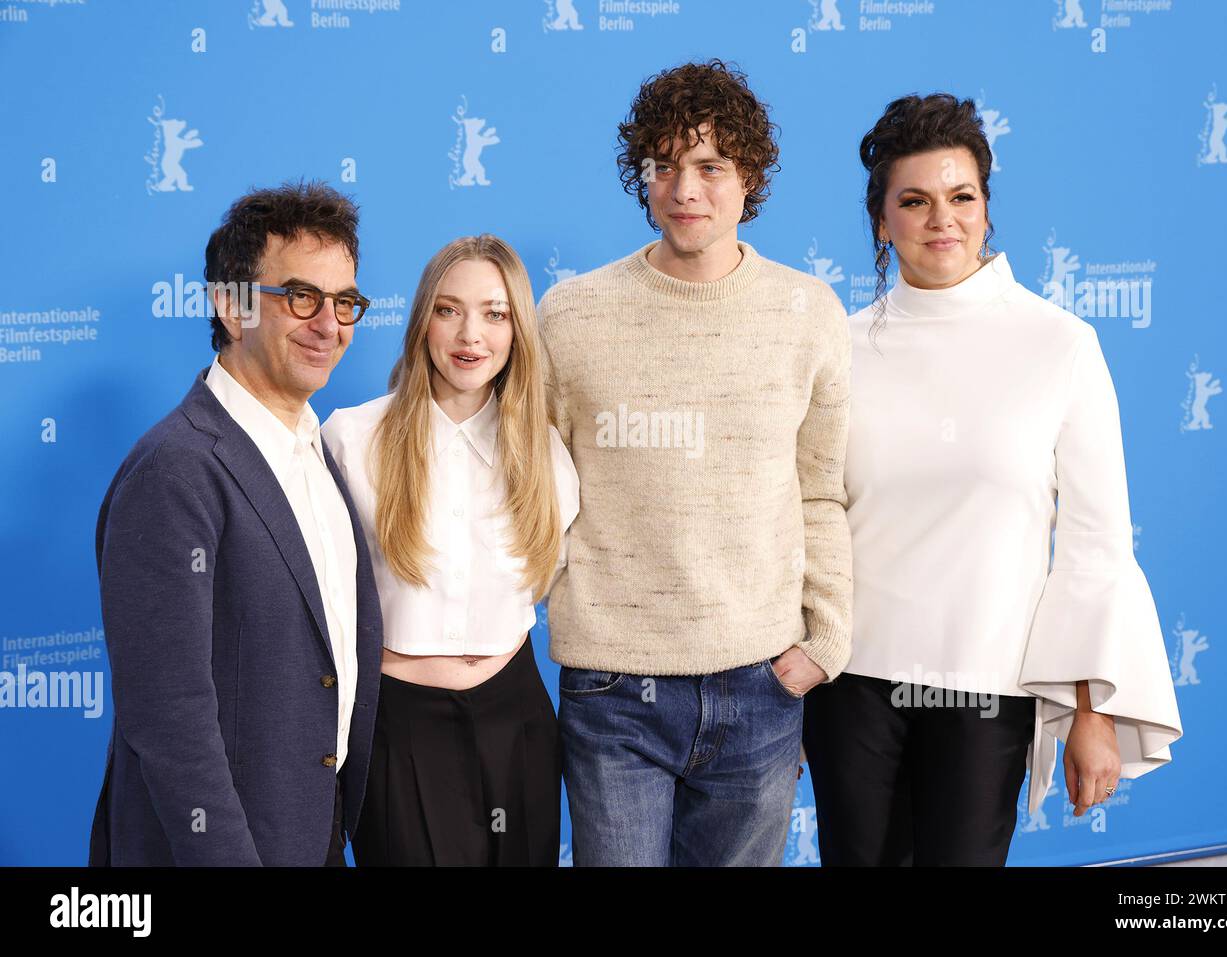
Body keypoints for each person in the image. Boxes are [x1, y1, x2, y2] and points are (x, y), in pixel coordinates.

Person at [800, 93, 1183, 866]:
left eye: (961, 197)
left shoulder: (1060, 346)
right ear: (882, 220)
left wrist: (1092, 710)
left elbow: (1095, 545)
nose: (942, 218)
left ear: (985, 207)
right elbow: (808, 516)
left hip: (985, 686)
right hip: (852, 687)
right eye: (914, 201)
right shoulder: (836, 347)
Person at [538, 59, 853, 867]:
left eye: (710, 165)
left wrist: (827, 637)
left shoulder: (808, 313)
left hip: (761, 681)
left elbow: (821, 489)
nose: (685, 188)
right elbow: (533, 485)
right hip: (614, 685)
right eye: (665, 164)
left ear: (747, 176)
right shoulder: (570, 315)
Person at [90, 180, 383, 866]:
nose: (329, 324)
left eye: (345, 302)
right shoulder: (176, 469)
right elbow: (169, 718)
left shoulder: (317, 454)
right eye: (302, 297)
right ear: (232, 304)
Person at [322, 235, 578, 866]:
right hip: (399, 726)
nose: (471, 335)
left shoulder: (547, 453)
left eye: (495, 314)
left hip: (515, 714)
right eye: (448, 309)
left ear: (518, 330)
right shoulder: (351, 440)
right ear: (422, 324)